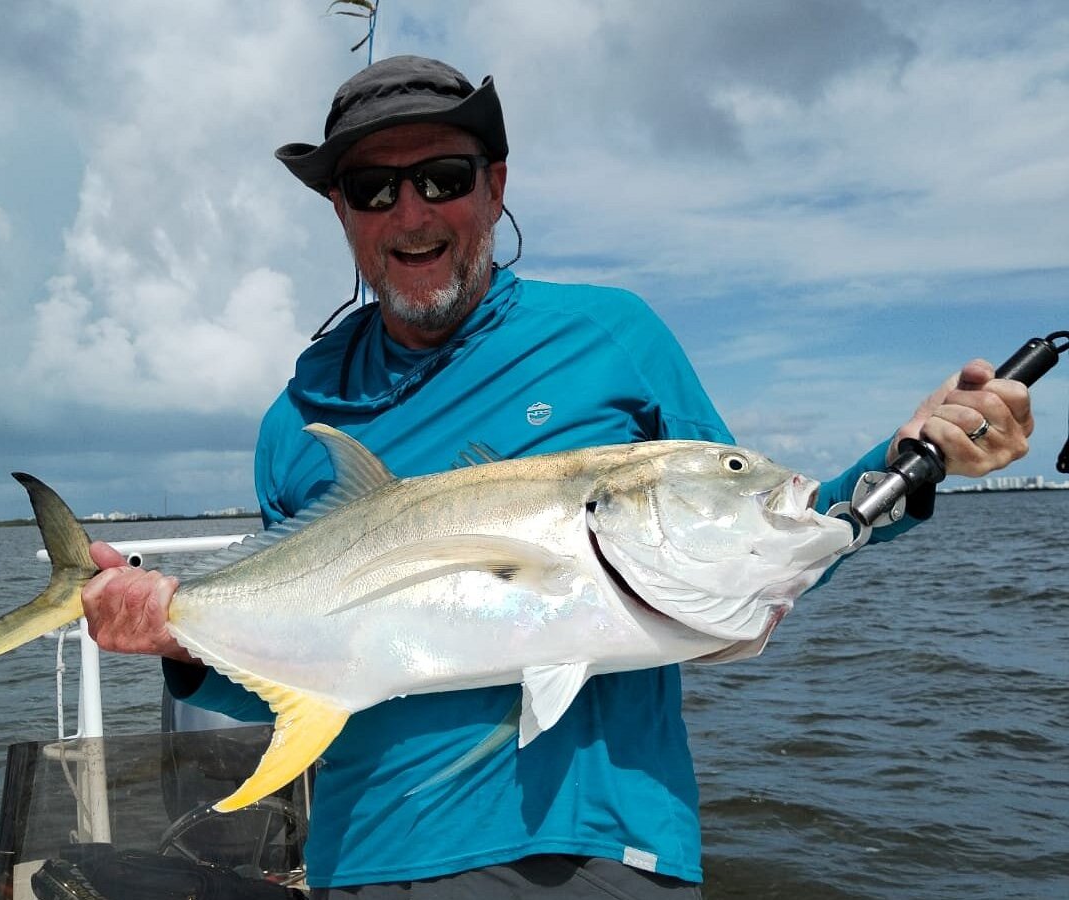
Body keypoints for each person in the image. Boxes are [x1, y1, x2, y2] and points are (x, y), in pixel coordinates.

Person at [81, 56, 1033, 899]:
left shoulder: (610, 338)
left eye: (443, 178)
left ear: (494, 186)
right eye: (374, 188)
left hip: (580, 854)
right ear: (341, 211)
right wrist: (177, 639)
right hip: (355, 859)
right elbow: (289, 674)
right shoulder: (298, 420)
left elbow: (760, 547)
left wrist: (912, 462)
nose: (410, 214)